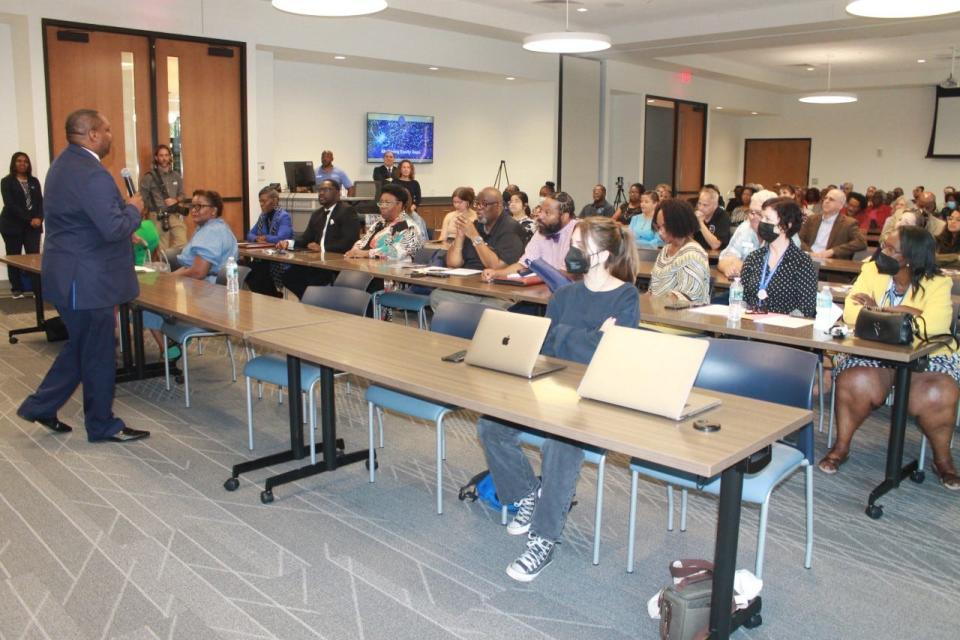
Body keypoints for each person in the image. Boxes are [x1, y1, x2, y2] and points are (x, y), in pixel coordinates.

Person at [477, 216, 640, 582]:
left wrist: (573, 338)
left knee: (560, 445)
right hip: (552, 385)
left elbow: (613, 352)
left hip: (596, 395)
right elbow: (546, 342)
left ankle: (543, 538)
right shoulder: (565, 293)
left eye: (580, 245)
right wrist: (589, 337)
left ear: (604, 254)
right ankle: (526, 492)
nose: (572, 252)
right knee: (491, 426)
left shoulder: (626, 294)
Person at [16, 109, 149, 443]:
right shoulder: (92, 173)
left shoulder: (62, 165)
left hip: (69, 273)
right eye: (107, 130)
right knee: (100, 354)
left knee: (83, 347)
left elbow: (82, 219)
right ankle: (102, 424)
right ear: (91, 134)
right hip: (87, 281)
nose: (110, 136)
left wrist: (121, 226)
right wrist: (134, 210)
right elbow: (112, 226)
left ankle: (39, 406)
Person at [820, 227, 960, 491]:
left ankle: (942, 460)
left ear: (910, 258)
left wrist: (880, 309)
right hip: (875, 351)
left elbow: (932, 327)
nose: (881, 252)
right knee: (854, 380)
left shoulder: (938, 282)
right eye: (884, 245)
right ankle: (841, 446)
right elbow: (852, 312)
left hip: (926, 357)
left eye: (890, 250)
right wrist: (906, 313)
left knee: (937, 393)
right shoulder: (872, 270)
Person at [430, 186, 524, 310]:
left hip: (495, 290)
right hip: (469, 286)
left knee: (493, 307)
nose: (478, 208)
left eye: (484, 204)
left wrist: (475, 236)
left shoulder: (510, 228)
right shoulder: (476, 225)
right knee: (437, 296)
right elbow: (453, 263)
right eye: (477, 204)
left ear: (498, 206)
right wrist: (460, 236)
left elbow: (496, 266)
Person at [280, 179, 362, 298]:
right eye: (320, 190)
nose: (321, 193)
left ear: (338, 193)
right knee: (289, 276)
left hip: (336, 263)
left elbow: (349, 242)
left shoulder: (347, 211)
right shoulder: (316, 214)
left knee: (310, 280)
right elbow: (305, 239)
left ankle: (314, 301)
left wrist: (322, 248)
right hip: (317, 262)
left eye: (326, 190)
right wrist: (288, 243)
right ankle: (310, 301)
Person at [739, 197, 817, 317]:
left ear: (785, 226)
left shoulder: (802, 262)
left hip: (782, 329)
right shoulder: (754, 257)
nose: (762, 222)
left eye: (768, 219)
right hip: (750, 324)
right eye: (762, 217)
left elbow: (806, 308)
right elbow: (741, 296)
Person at [481, 192, 577, 281]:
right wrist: (496, 273)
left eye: (547, 213)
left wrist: (539, 275)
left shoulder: (579, 233)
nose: (540, 216)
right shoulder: (542, 230)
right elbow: (524, 264)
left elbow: (571, 275)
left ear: (564, 216)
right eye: (541, 211)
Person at [649, 199, 711, 304]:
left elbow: (688, 298)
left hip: (682, 316)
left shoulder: (693, 254)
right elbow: (653, 289)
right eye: (658, 226)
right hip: (659, 312)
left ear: (679, 223)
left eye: (665, 226)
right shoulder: (665, 250)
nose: (660, 232)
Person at [1, 152, 43, 298]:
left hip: (33, 226)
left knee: (34, 258)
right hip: (12, 225)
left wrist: (39, 218)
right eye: (19, 161)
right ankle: (17, 288)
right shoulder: (6, 182)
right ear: (14, 163)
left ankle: (37, 289)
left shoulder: (34, 181)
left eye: (25, 161)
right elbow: (11, 205)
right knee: (14, 257)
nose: (22, 164)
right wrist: (29, 219)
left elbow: (39, 202)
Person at [345, 183, 423, 260]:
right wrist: (355, 249)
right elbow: (363, 241)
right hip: (366, 267)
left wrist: (365, 253)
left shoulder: (408, 226)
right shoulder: (378, 224)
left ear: (399, 204)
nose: (382, 206)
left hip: (394, 270)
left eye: (387, 203)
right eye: (381, 202)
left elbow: (397, 252)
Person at [717, 189, 779, 278]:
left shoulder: (781, 233)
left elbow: (772, 271)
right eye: (751, 212)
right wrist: (728, 267)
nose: (752, 217)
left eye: (758, 213)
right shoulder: (745, 228)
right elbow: (724, 259)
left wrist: (742, 266)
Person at [245, 186, 293, 297]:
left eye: (264, 201)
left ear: (275, 200)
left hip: (280, 258)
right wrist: (256, 238)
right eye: (260, 201)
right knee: (248, 272)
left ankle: (273, 296)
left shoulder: (284, 216)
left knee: (258, 274)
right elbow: (250, 234)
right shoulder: (262, 217)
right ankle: (271, 295)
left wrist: (265, 238)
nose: (261, 204)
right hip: (264, 257)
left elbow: (282, 238)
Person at [139, 144, 186, 251]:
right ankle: (165, 266)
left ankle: (173, 264)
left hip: (173, 214)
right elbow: (142, 198)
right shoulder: (148, 177)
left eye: (166, 155)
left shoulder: (176, 176)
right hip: (157, 216)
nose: (164, 158)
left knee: (182, 243)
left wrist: (176, 200)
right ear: (156, 158)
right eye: (161, 156)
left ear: (170, 157)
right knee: (161, 250)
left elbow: (183, 195)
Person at [798, 187, 866, 259]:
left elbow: (861, 242)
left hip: (831, 261)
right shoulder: (812, 219)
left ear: (840, 205)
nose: (826, 201)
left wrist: (832, 251)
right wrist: (810, 253)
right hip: (808, 257)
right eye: (826, 198)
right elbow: (799, 239)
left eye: (831, 199)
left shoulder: (848, 223)